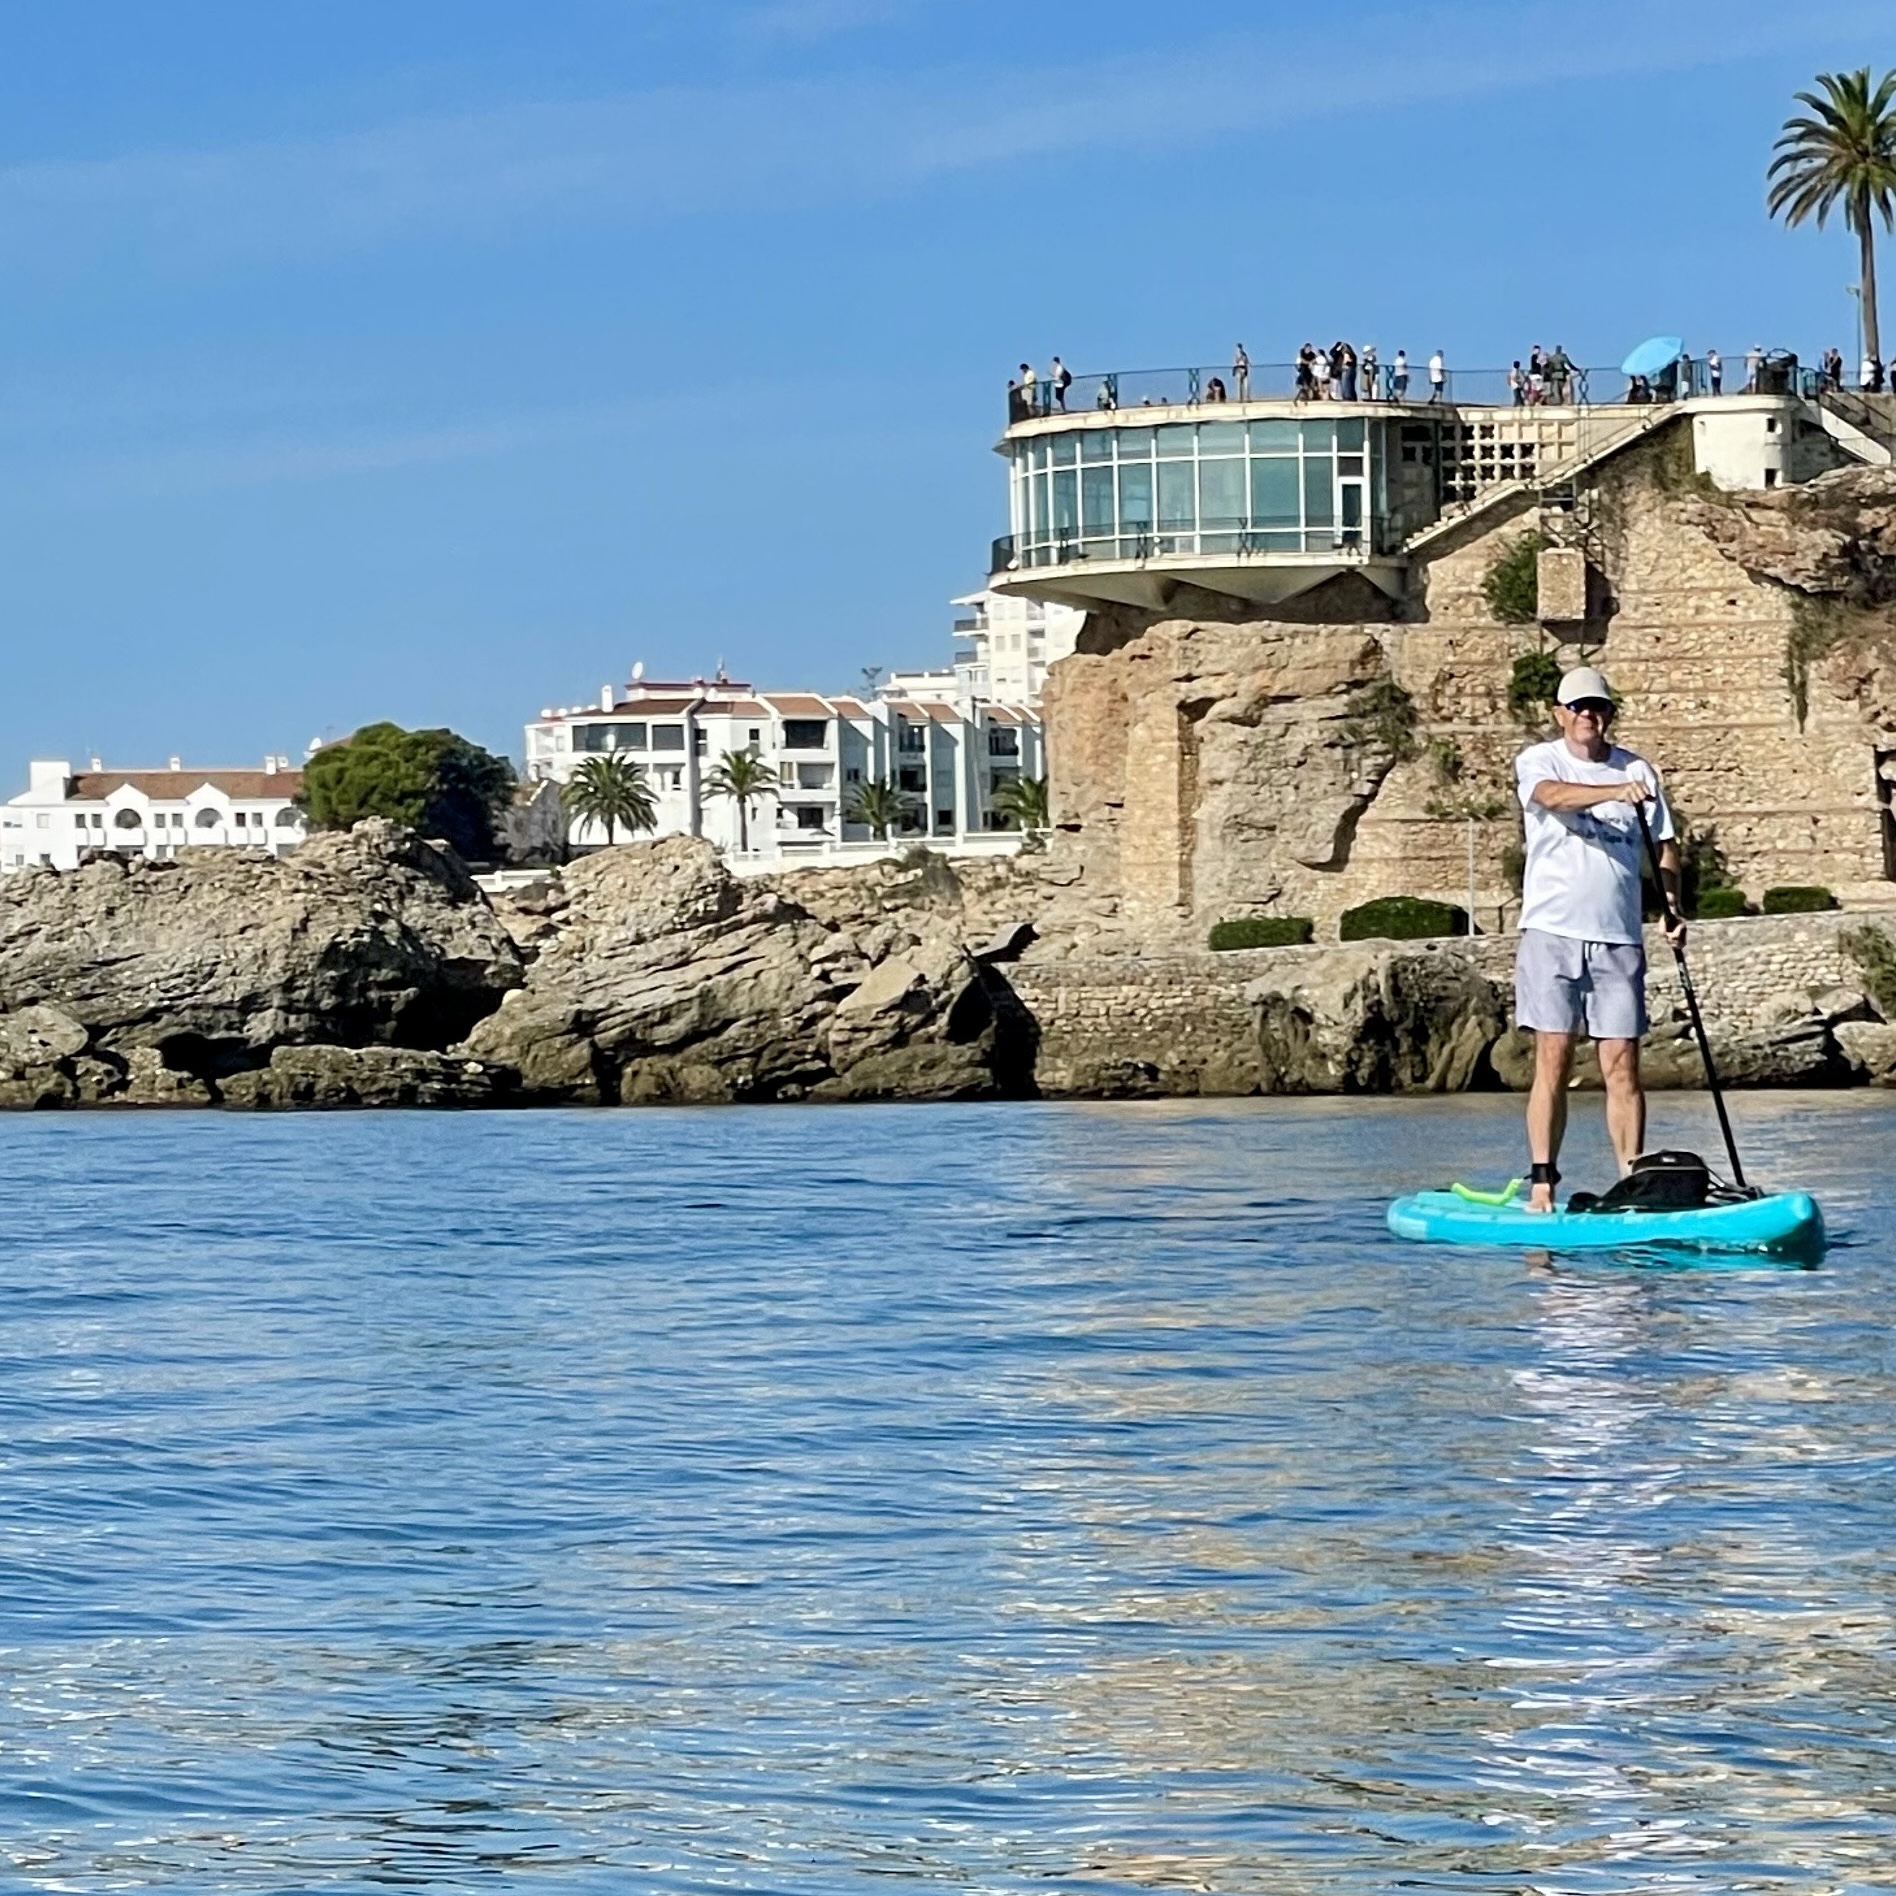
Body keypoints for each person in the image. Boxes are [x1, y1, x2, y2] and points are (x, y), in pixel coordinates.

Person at [1515, 666, 1682, 1212]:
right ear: (1560, 713)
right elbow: (1553, 797)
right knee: (1554, 1059)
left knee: (1622, 1065)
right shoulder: (1540, 760)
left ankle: (1632, 1182)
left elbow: (1664, 845)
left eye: (1599, 707)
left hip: (1618, 936)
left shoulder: (1639, 769)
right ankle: (1543, 1183)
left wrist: (1672, 905)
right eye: (1579, 707)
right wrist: (1615, 789)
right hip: (1552, 931)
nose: (1590, 715)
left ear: (1610, 714)